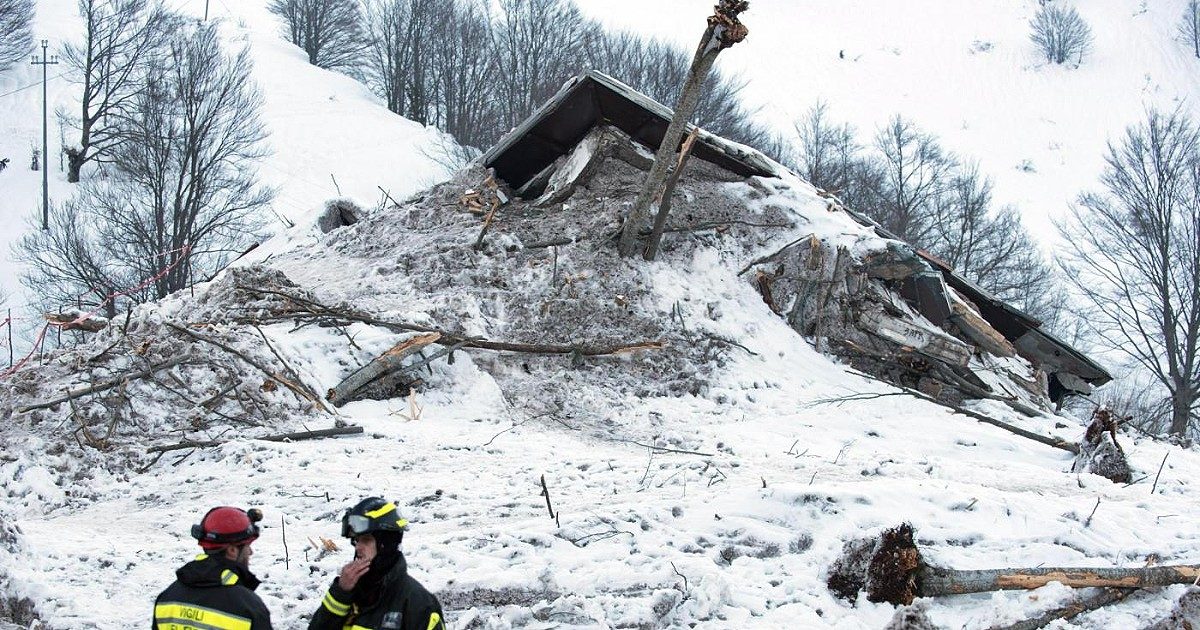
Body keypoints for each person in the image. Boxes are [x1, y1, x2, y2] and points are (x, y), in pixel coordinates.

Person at [309, 497, 445, 630]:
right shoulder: (348, 593)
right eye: (356, 540)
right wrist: (340, 594)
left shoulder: (418, 604)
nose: (358, 547)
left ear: (386, 544)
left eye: (366, 540)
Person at [153, 506, 273, 629]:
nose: (250, 552)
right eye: (247, 547)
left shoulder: (167, 598)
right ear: (232, 550)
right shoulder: (249, 608)